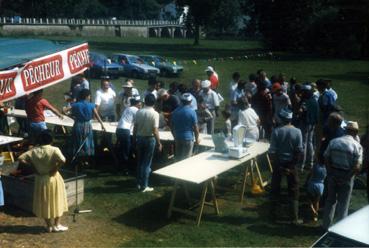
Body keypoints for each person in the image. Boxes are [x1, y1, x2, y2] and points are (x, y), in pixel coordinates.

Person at [18, 131, 69, 233]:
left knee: (44, 202)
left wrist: (32, 167)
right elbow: (63, 160)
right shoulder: (54, 149)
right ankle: (57, 225)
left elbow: (20, 158)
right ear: (51, 140)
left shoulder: (34, 151)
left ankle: (49, 226)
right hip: (53, 177)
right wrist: (55, 168)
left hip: (40, 178)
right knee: (57, 200)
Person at [322, 121, 363, 230]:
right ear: (356, 132)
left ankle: (325, 226)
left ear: (345, 130)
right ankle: (340, 229)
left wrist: (330, 172)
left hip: (333, 173)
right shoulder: (357, 146)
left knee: (330, 201)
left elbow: (326, 157)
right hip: (347, 176)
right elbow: (357, 166)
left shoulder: (334, 142)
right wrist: (347, 177)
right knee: (343, 204)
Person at [268, 107, 304, 224]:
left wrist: (279, 167)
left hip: (279, 164)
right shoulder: (298, 132)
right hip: (291, 164)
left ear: (282, 119)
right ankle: (294, 217)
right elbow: (299, 151)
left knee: (275, 188)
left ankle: (272, 215)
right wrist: (291, 167)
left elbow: (272, 152)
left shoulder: (276, 131)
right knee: (294, 190)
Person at [133, 94, 162, 192]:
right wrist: (159, 143)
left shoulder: (139, 112)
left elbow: (135, 128)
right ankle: (144, 186)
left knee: (140, 162)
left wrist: (134, 139)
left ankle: (138, 183)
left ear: (144, 101)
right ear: (154, 103)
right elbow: (155, 130)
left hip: (140, 138)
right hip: (149, 139)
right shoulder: (155, 114)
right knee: (146, 164)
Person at [70, 89, 105, 164]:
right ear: (86, 96)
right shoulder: (91, 105)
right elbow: (97, 115)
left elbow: (64, 110)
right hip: (87, 125)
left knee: (78, 140)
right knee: (87, 141)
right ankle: (86, 159)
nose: (90, 97)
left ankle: (78, 158)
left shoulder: (76, 104)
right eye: (89, 96)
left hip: (78, 124)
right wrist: (102, 124)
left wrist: (72, 117)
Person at [116, 95, 142, 173]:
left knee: (123, 149)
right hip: (125, 131)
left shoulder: (128, 108)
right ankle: (125, 169)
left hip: (119, 129)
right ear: (137, 103)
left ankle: (122, 165)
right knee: (126, 150)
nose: (141, 104)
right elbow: (138, 123)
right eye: (140, 103)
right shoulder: (136, 110)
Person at [171, 93, 200, 161]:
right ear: (190, 101)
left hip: (177, 137)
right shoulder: (192, 112)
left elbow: (171, 126)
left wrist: (174, 136)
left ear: (181, 101)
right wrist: (197, 139)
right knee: (186, 160)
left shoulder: (175, 111)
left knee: (178, 159)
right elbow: (196, 128)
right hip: (188, 138)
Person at [299, 84, 319, 171]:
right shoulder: (315, 101)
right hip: (313, 124)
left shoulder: (305, 102)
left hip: (305, 123)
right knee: (310, 143)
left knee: (304, 143)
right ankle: (310, 163)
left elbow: (301, 111)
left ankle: (301, 165)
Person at [306, 155, 327, 222]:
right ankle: (315, 217)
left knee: (309, 200)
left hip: (312, 184)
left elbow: (310, 174)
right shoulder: (326, 168)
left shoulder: (315, 166)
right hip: (321, 186)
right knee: (317, 201)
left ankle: (313, 211)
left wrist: (307, 181)